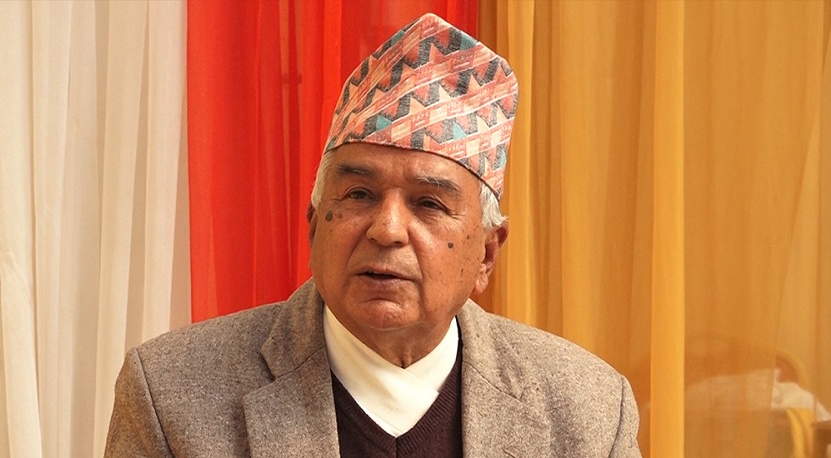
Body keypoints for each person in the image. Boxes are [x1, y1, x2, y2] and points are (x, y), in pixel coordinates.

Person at [104, 13, 640, 457]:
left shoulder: (587, 411)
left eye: (429, 204)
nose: (387, 230)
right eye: (359, 194)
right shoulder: (171, 396)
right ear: (314, 226)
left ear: (486, 254)